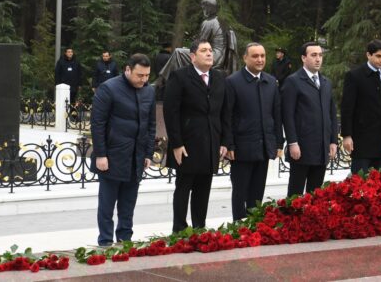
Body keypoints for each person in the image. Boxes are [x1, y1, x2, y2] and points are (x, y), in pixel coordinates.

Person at [163, 39, 230, 233]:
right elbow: (171, 112)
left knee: (204, 187)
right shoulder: (180, 77)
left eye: (210, 50)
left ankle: (200, 227)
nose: (209, 53)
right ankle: (180, 229)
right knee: (184, 186)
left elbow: (224, 112)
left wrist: (224, 141)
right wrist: (176, 143)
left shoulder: (219, 77)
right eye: (204, 51)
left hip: (210, 142)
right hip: (187, 143)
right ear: (193, 56)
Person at [90, 53, 156, 246]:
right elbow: (97, 123)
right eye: (139, 75)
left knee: (128, 204)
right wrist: (101, 154)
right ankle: (105, 241)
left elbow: (151, 125)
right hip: (112, 155)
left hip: (136, 156)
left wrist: (148, 153)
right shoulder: (108, 88)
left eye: (147, 76)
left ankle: (125, 240)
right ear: (127, 69)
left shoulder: (149, 91)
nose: (143, 80)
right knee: (107, 204)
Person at [224, 43, 284, 220]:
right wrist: (229, 144)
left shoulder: (271, 82)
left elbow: (276, 115)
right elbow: (227, 116)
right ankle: (239, 227)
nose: (260, 59)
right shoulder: (233, 82)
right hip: (241, 148)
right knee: (240, 192)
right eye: (255, 56)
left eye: (263, 56)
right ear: (245, 58)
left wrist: (278, 143)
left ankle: (253, 227)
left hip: (264, 147)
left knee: (257, 193)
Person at [282, 42, 338, 196]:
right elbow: (287, 115)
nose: (318, 59)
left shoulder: (326, 83)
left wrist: (333, 141)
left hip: (321, 150)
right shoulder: (293, 81)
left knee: (316, 196)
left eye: (320, 55)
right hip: (301, 149)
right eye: (313, 55)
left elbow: (332, 114)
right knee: (295, 195)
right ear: (303, 58)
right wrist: (293, 142)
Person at [341, 40, 381, 175]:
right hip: (361, 142)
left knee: (378, 185)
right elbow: (347, 108)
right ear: (368, 55)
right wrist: (347, 135)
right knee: (359, 184)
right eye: (378, 56)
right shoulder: (355, 76)